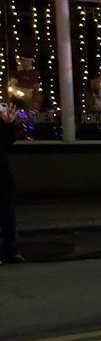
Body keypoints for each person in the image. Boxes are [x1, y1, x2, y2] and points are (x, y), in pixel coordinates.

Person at [0, 104, 24, 264]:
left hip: (1, 173)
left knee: (7, 212)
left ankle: (12, 250)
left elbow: (7, 143)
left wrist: (8, 124)